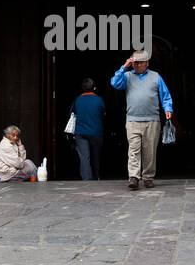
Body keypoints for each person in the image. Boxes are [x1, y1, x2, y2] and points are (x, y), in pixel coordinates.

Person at [110, 50, 173, 190]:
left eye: (140, 63)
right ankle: (133, 177)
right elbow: (114, 83)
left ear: (147, 63)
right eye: (135, 63)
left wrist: (168, 109)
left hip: (152, 120)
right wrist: (124, 67)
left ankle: (148, 177)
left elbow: (165, 95)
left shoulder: (155, 77)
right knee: (133, 149)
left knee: (149, 150)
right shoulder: (127, 76)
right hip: (133, 120)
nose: (138, 66)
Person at [68, 77, 105, 181]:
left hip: (80, 132)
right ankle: (96, 176)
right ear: (94, 88)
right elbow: (103, 114)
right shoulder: (99, 100)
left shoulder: (77, 100)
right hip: (96, 132)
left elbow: (71, 114)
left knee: (84, 157)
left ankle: (86, 179)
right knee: (95, 156)